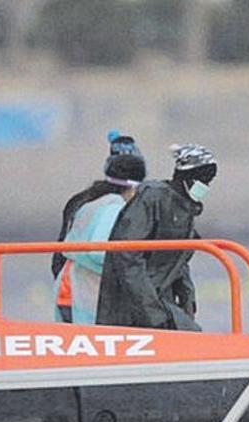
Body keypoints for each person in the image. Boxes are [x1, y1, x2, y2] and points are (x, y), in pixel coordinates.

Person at [96, 143, 217, 331]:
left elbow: (179, 262)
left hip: (160, 301)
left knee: (192, 334)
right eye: (203, 179)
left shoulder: (185, 209)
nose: (206, 186)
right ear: (188, 177)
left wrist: (187, 301)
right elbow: (127, 254)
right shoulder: (153, 198)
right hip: (133, 307)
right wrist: (152, 313)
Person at [53, 131, 143, 322]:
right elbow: (98, 252)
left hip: (71, 288)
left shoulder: (89, 201)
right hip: (84, 294)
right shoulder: (113, 207)